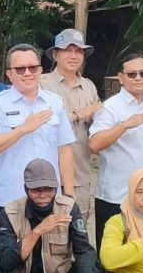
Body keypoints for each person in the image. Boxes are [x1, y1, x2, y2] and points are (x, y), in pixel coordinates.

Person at [0, 44, 76, 210]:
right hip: (10, 199)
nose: (27, 73)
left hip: (49, 198)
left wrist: (68, 193)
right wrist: (23, 129)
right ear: (9, 74)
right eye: (20, 69)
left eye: (32, 68)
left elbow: (64, 150)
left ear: (40, 71)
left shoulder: (54, 102)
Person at [89, 52, 143, 243]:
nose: (139, 78)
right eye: (132, 74)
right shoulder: (110, 107)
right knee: (112, 256)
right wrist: (124, 125)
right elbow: (94, 144)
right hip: (115, 196)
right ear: (120, 78)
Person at [41, 29, 103, 227]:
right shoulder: (42, 84)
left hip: (81, 173)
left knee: (78, 229)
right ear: (55, 54)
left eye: (79, 51)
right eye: (68, 50)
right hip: (47, 175)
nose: (73, 56)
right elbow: (44, 121)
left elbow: (96, 125)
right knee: (48, 231)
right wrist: (79, 114)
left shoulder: (89, 86)